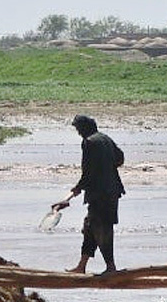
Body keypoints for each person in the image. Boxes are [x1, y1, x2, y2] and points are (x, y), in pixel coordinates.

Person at [51, 115, 125, 274]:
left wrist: (78, 188)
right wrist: (106, 167)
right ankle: (81, 266)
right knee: (90, 227)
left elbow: (88, 172)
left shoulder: (89, 142)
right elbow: (120, 159)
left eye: (78, 129)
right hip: (112, 191)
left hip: (101, 194)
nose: (78, 133)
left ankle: (111, 267)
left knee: (102, 228)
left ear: (85, 128)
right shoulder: (105, 138)